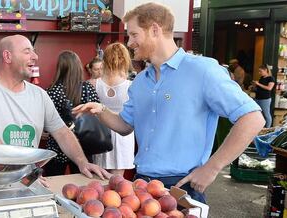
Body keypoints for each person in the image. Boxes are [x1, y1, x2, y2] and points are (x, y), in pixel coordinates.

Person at [73, 2, 265, 203]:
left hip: (182, 185)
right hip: (141, 185)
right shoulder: (139, 82)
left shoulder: (203, 70)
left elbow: (253, 118)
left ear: (154, 30)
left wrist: (212, 167)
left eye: (134, 34)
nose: (129, 43)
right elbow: (124, 126)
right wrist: (100, 110)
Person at [0, 35, 111, 185]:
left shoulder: (39, 94)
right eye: (27, 51)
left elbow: (62, 132)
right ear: (7, 56)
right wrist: (18, 174)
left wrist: (82, 162)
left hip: (27, 181)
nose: (35, 57)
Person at [44, 50, 100, 176]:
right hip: (84, 144)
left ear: (60, 68)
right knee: (84, 183)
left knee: (54, 183)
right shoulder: (88, 88)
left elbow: (47, 121)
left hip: (57, 145)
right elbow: (97, 113)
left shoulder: (53, 91)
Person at [91, 42, 135, 176]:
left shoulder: (93, 83)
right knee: (118, 181)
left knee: (98, 177)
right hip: (124, 131)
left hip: (100, 132)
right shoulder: (131, 85)